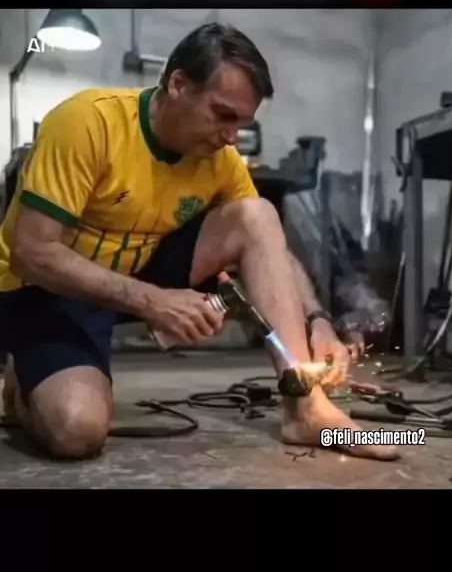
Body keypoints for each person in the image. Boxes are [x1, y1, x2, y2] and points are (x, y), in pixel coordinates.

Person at [0, 23, 398, 461]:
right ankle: (23, 386)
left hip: (136, 267)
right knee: (78, 430)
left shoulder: (220, 160)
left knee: (257, 214)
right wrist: (155, 302)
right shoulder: (88, 123)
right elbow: (31, 253)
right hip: (47, 288)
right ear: (178, 84)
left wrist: (317, 320)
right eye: (222, 115)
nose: (231, 137)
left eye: (241, 123)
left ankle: (305, 407)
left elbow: (270, 247)